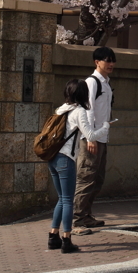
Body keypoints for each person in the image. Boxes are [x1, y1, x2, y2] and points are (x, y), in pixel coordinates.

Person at [48, 79, 108, 253]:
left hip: (53, 158)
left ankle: (53, 236)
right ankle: (66, 239)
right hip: (66, 159)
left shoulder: (61, 109)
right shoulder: (79, 111)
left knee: (62, 198)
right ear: (83, 94)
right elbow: (90, 134)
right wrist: (105, 127)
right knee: (67, 199)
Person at [73, 46, 116, 228]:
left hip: (102, 137)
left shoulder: (106, 83)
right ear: (96, 62)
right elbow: (87, 110)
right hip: (90, 139)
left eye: (113, 60)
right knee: (86, 178)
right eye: (107, 60)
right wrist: (89, 137)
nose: (111, 64)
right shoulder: (92, 82)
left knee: (97, 179)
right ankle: (78, 219)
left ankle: (86, 215)